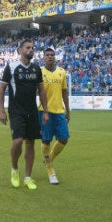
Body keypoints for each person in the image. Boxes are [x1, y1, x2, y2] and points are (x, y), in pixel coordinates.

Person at [0, 39, 48, 190]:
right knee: (18, 141)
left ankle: (27, 177)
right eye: (27, 47)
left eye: (32, 47)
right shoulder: (11, 67)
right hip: (16, 111)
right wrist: (1, 110)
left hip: (32, 111)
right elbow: (1, 89)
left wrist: (45, 111)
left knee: (30, 143)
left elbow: (41, 90)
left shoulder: (36, 69)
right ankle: (14, 169)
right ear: (20, 50)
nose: (31, 50)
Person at [38, 47, 70, 185]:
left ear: (55, 57)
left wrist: (68, 109)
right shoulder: (39, 72)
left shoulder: (61, 72)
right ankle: (51, 171)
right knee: (46, 141)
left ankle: (48, 160)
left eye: (52, 55)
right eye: (47, 55)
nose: (50, 57)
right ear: (43, 57)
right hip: (44, 111)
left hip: (59, 111)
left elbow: (64, 92)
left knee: (63, 139)